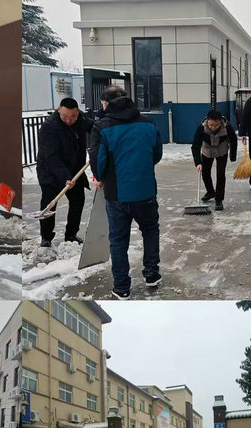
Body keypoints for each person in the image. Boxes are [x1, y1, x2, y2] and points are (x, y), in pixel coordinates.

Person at [89, 86, 163, 299]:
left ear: (107, 103)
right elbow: (156, 153)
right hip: (146, 191)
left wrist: (100, 177)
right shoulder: (148, 123)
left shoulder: (102, 127)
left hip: (117, 195)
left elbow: (98, 160)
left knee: (119, 240)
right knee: (150, 231)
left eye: (102, 104)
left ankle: (122, 287)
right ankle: (152, 274)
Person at [36, 98, 94, 247]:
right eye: (64, 116)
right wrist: (65, 177)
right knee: (49, 204)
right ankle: (46, 237)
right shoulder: (49, 127)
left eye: (72, 117)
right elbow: (51, 157)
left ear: (78, 113)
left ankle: (71, 235)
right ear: (58, 111)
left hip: (75, 170)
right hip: (50, 171)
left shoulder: (81, 119)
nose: (68, 120)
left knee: (77, 201)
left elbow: (95, 128)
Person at [191, 109, 238, 211]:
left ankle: (219, 200)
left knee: (220, 175)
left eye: (216, 125)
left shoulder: (227, 126)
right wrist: (198, 162)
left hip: (222, 151)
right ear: (207, 120)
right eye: (211, 125)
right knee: (205, 173)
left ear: (220, 121)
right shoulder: (202, 127)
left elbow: (233, 139)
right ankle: (210, 191)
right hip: (207, 151)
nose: (213, 128)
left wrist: (232, 156)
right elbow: (195, 145)